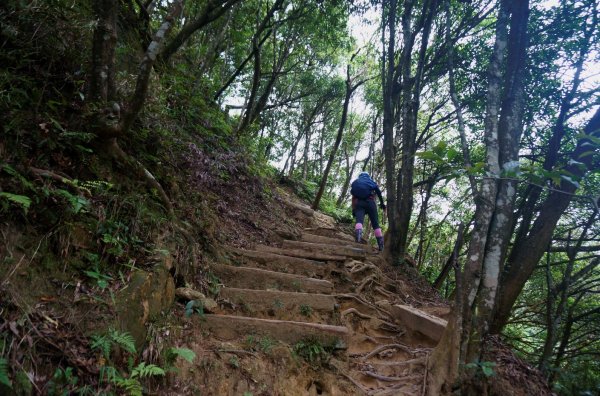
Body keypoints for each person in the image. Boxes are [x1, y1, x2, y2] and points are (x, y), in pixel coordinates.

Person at [350, 172, 386, 251]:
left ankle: (358, 240)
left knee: (359, 221)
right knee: (375, 224)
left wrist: (353, 209)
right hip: (370, 203)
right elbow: (379, 192)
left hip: (359, 203)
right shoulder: (371, 182)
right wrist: (382, 203)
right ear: (368, 176)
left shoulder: (355, 182)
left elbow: (353, 197)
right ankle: (381, 247)